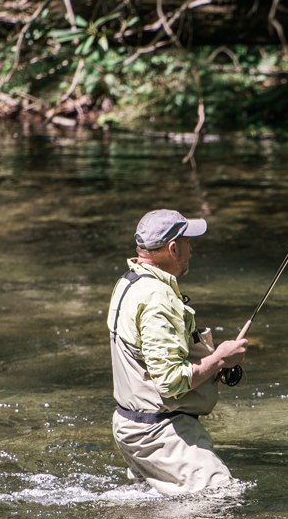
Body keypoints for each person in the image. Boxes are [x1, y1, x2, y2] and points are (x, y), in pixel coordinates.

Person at [106, 209, 248, 495]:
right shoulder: (158, 299)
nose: (191, 248)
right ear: (172, 248)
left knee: (161, 511)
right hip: (156, 432)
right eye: (187, 241)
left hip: (132, 424)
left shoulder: (129, 283)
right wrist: (220, 357)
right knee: (221, 497)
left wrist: (211, 364)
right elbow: (170, 382)